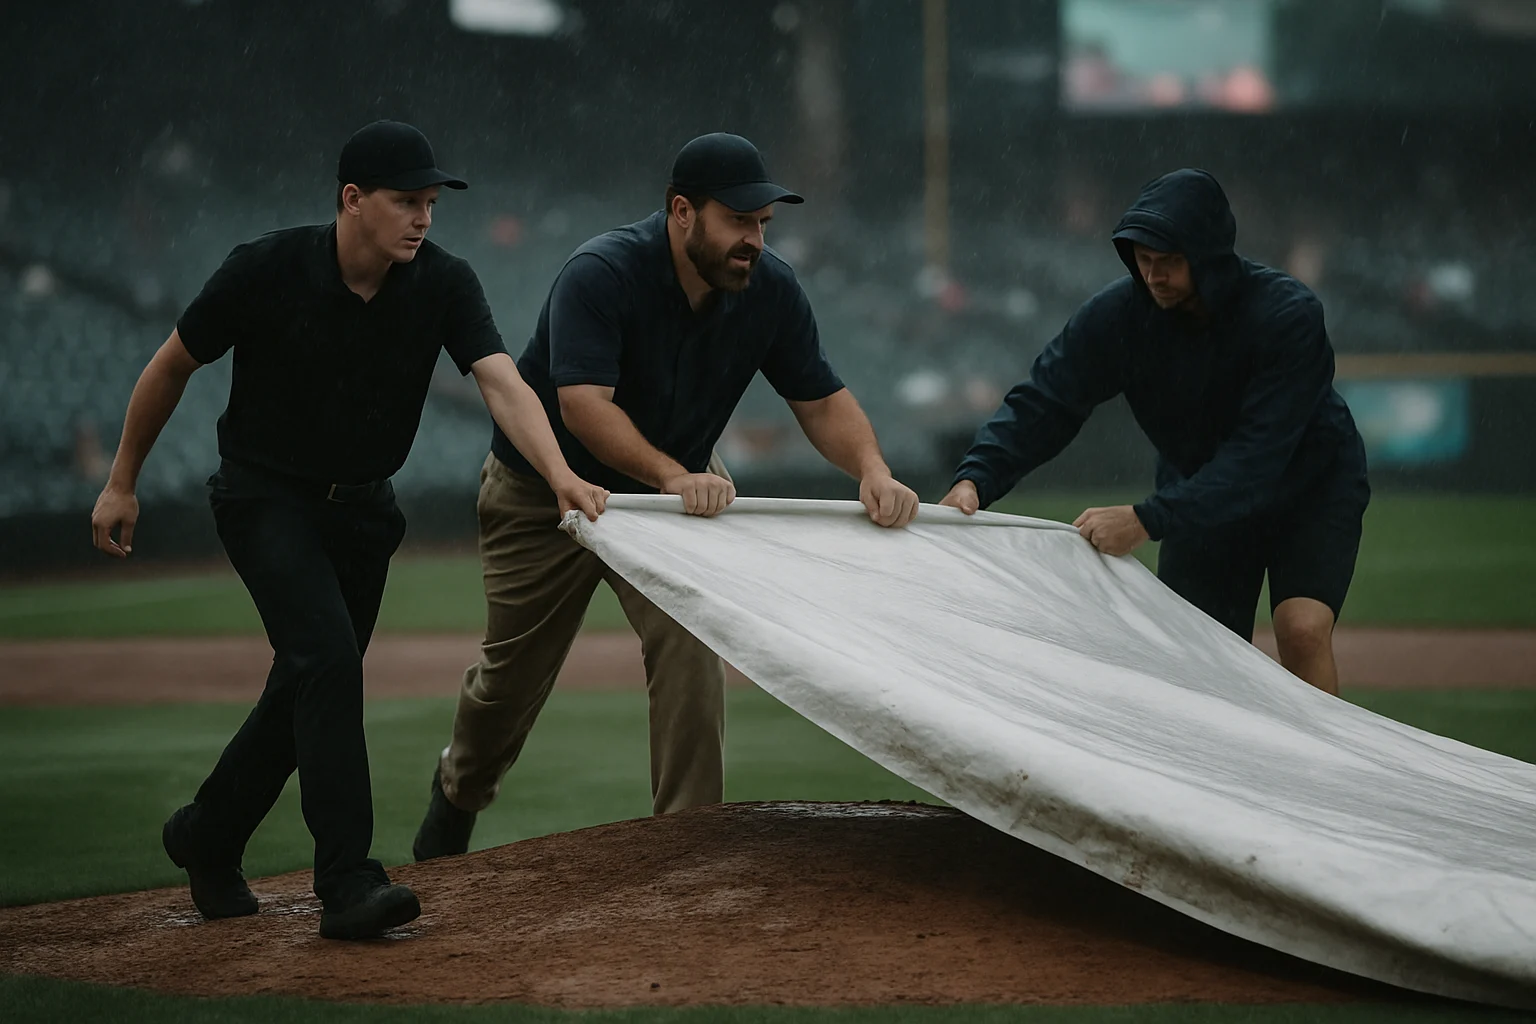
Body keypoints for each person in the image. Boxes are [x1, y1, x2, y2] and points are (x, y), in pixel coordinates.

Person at [88, 121, 607, 939]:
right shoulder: (263, 267)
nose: (423, 218)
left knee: (305, 683)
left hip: (364, 513)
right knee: (326, 661)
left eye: (431, 203)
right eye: (407, 201)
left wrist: (561, 475)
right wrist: (122, 481)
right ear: (352, 199)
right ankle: (349, 883)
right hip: (265, 498)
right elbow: (172, 365)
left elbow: (501, 382)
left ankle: (209, 835)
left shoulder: (444, 282)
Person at [412, 133, 919, 860]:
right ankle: (459, 791)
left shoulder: (769, 288)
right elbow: (584, 404)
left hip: (671, 498)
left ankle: (690, 841)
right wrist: (674, 475)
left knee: (692, 645)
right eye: (738, 220)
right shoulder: (602, 271)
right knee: (509, 685)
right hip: (545, 491)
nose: (754, 239)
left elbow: (820, 398)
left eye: (762, 224)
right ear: (682, 212)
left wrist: (871, 467)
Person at [940, 168, 1369, 695]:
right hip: (1198, 489)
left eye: (1170, 261)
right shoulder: (1119, 316)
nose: (1154, 275)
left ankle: (1321, 776)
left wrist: (1147, 518)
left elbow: (1257, 460)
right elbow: (1046, 400)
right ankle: (1216, 774)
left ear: (1209, 256)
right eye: (1143, 260)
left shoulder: (1287, 315)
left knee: (1301, 632)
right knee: (1200, 659)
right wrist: (976, 478)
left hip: (1309, 485)